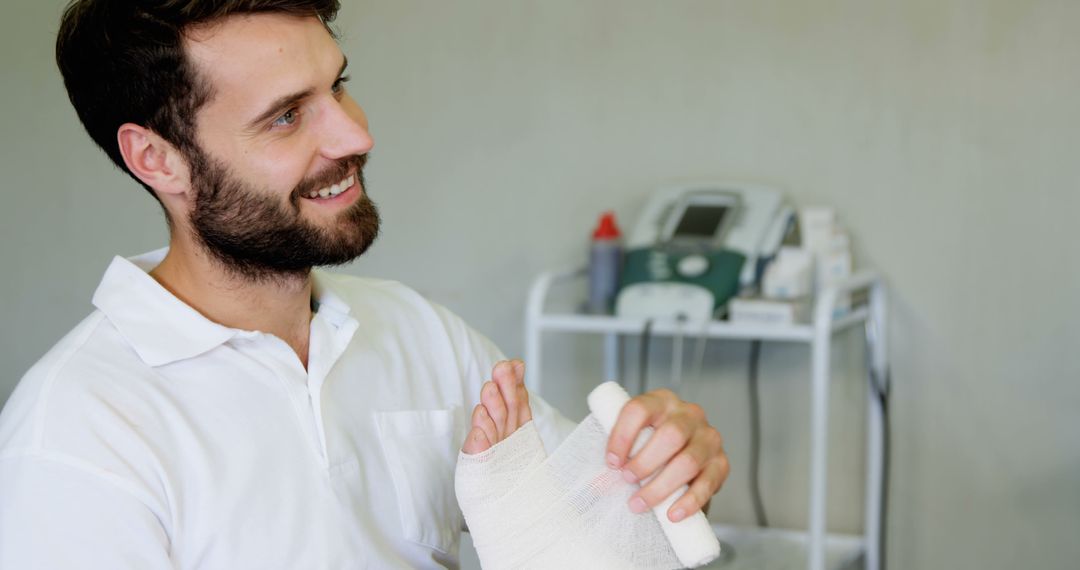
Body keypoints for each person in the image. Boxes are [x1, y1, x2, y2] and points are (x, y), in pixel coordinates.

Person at [0, 1, 730, 568]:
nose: (355, 136)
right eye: (287, 117)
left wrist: (660, 471)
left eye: (337, 86)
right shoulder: (76, 435)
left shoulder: (422, 336)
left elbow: (594, 537)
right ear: (159, 160)